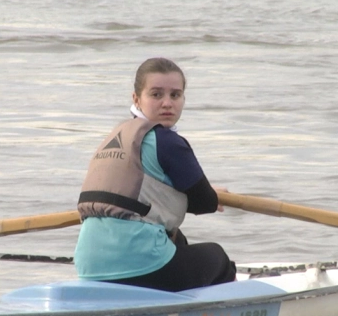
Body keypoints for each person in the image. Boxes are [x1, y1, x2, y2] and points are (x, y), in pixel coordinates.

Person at [74, 57, 236, 292]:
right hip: (142, 267)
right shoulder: (169, 142)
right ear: (136, 99)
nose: (167, 103)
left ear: (183, 99)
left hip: (89, 266)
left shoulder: (116, 136)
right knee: (218, 257)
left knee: (175, 239)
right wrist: (211, 195)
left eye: (175, 95)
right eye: (157, 94)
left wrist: (205, 194)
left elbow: (141, 198)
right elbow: (204, 203)